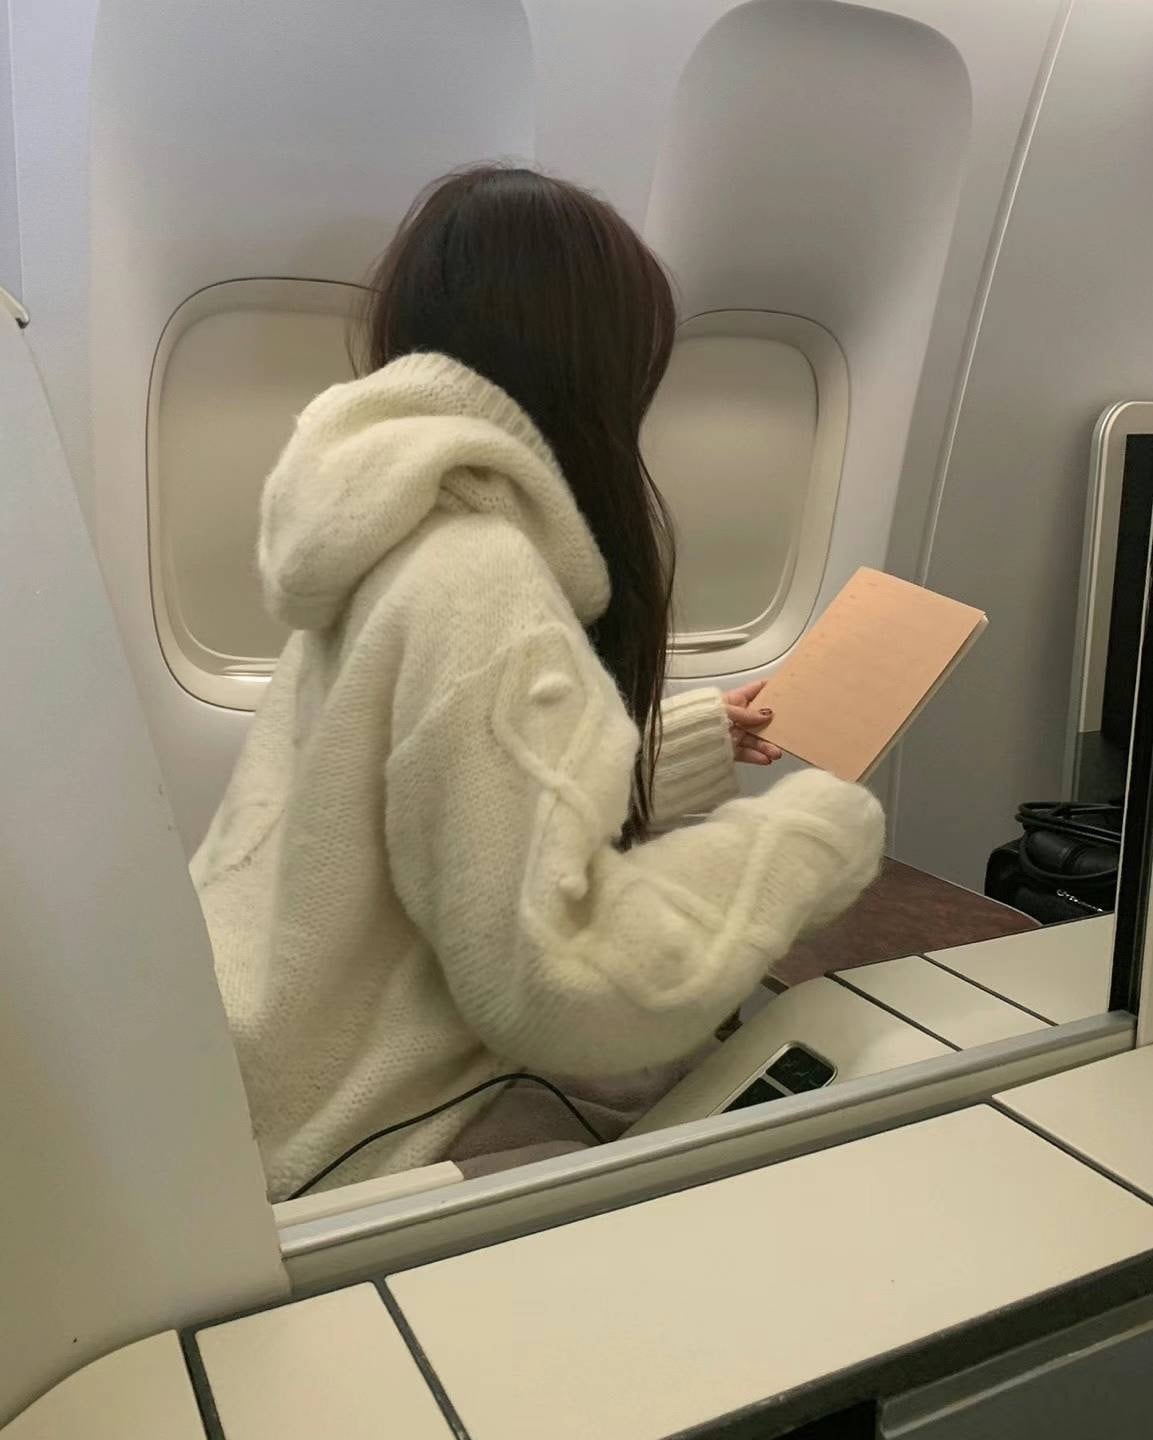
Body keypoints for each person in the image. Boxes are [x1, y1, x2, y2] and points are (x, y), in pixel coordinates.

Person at [192, 165, 884, 1201]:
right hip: (358, 1128)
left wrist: (681, 744)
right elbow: (558, 985)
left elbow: (418, 796)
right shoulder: (483, 579)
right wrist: (816, 833)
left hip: (262, 1055)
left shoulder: (389, 531)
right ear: (588, 372)